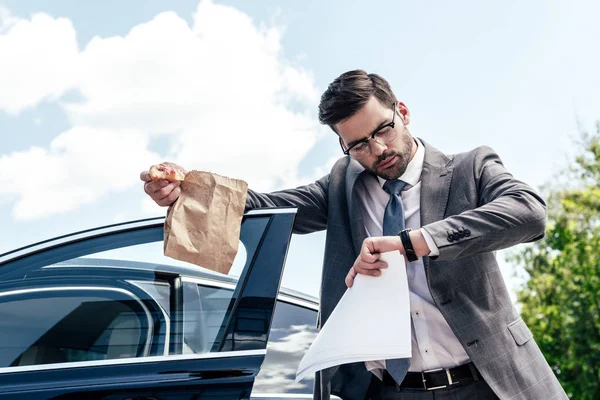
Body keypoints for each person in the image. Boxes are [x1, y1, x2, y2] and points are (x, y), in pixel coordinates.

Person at [141, 70, 567, 400]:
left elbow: (529, 212)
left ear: (402, 111)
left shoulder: (469, 168)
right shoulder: (344, 185)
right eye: (358, 145)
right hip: (394, 392)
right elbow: (266, 206)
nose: (377, 150)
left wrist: (411, 242)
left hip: (491, 383)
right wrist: (185, 189)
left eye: (383, 129)